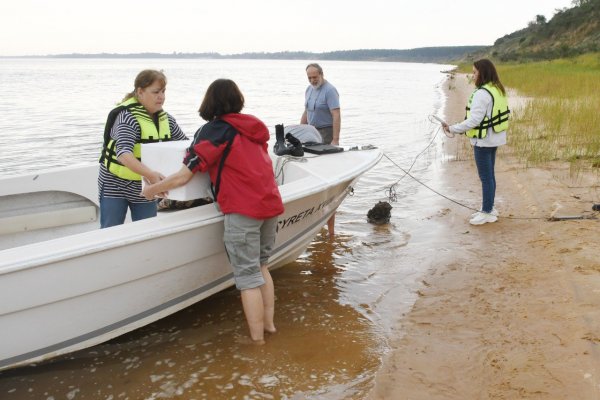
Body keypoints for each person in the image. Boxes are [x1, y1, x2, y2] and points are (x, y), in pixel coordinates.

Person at [142, 79, 284, 344]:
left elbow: (184, 176)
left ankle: (257, 342)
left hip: (243, 210)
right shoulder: (253, 127)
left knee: (247, 276)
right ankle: (270, 326)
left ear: (210, 102)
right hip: (270, 204)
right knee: (262, 266)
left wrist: (152, 189)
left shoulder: (214, 130)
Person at [98, 69, 187, 228]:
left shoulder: (168, 121)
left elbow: (186, 147)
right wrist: (151, 175)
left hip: (146, 186)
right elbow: (123, 154)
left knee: (147, 230)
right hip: (115, 184)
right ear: (140, 92)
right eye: (156, 92)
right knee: (110, 230)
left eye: (163, 91)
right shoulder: (127, 117)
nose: (161, 96)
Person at [442, 59, 510, 225]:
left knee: (486, 178)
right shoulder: (497, 88)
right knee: (490, 176)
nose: (472, 76)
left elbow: (474, 121)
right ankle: (489, 208)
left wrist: (451, 128)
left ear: (483, 73)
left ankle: (487, 212)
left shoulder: (482, 93)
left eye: (474, 72)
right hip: (494, 138)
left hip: (484, 141)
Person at [300, 63, 341, 238]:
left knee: (328, 181)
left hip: (326, 133)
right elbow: (306, 111)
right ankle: (315, 221)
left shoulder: (330, 90)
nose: (312, 80)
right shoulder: (309, 89)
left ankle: (331, 232)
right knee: (311, 174)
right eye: (309, 77)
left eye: (315, 77)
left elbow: (336, 114)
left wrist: (335, 140)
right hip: (311, 132)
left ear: (322, 74)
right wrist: (299, 131)